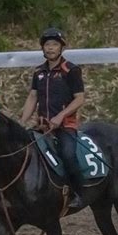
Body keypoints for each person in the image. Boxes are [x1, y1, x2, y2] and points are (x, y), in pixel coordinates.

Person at [21, 27, 85, 208]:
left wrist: (60, 116)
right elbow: (33, 97)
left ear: (61, 48)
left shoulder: (71, 70)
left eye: (54, 45)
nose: (50, 48)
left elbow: (80, 98)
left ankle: (77, 193)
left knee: (68, 155)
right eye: (47, 45)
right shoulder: (38, 72)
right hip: (42, 126)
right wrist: (22, 121)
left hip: (65, 125)